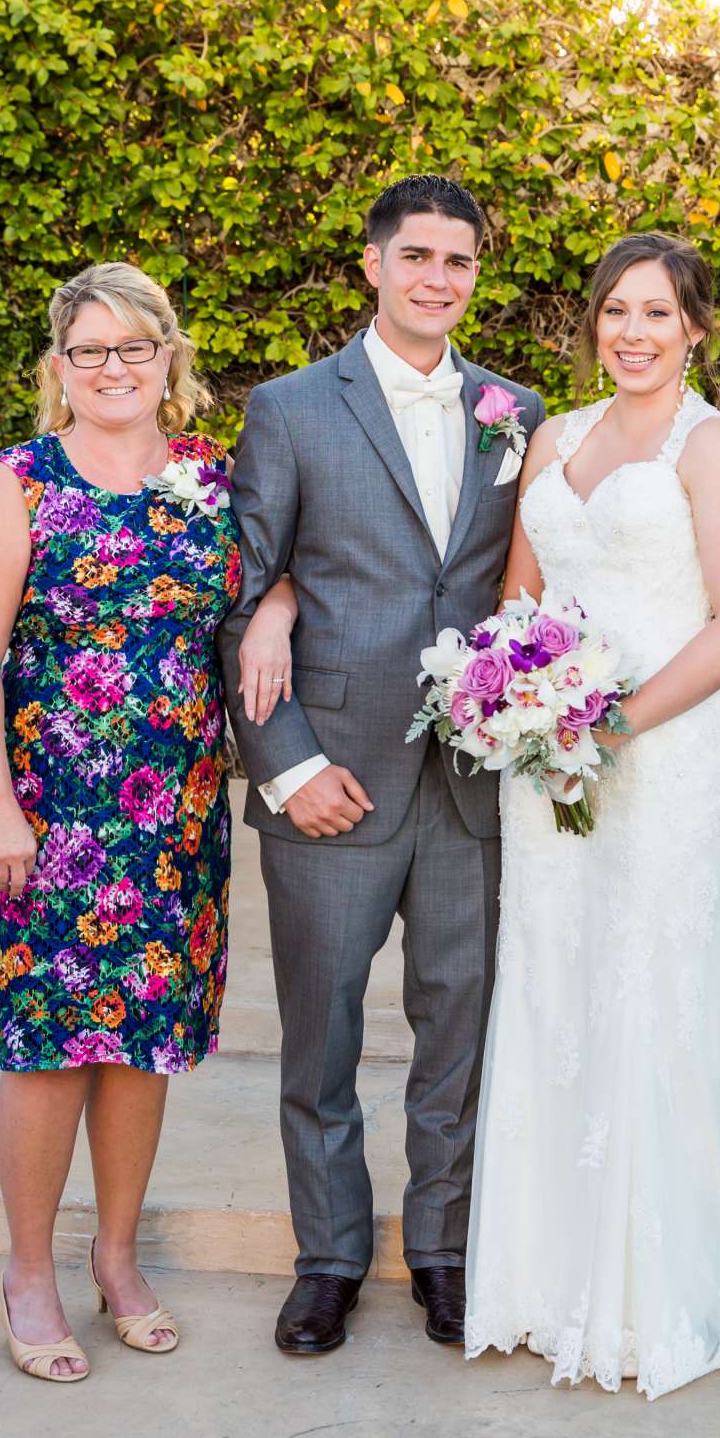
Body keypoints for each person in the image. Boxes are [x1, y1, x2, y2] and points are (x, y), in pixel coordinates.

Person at [463, 233, 720, 1400]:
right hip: (549, 764)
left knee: (645, 985)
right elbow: (520, 595)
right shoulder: (554, 438)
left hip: (662, 758)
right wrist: (518, 700)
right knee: (555, 980)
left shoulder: (709, 446)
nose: (631, 331)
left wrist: (608, 724)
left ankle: (648, 1280)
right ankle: (542, 1273)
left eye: (655, 314)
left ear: (694, 329)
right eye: (614, 310)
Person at [220, 176, 544, 1359]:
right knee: (322, 1040)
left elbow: (532, 580)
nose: (437, 279)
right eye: (416, 255)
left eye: (459, 261)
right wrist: (287, 760)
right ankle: (328, 1260)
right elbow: (237, 593)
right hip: (330, 782)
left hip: (471, 783)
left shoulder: (521, 411)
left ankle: (446, 1254)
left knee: (459, 1031)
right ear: (371, 263)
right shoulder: (294, 409)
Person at [0, 262, 240, 1382]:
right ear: (58, 368)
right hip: (50, 818)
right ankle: (29, 1273)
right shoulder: (20, 481)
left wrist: (280, 616)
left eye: (133, 348)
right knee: (47, 1049)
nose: (112, 369)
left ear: (168, 357)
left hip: (175, 813)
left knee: (142, 1047)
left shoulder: (214, 483)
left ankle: (116, 1259)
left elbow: (271, 585)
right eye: (89, 351)